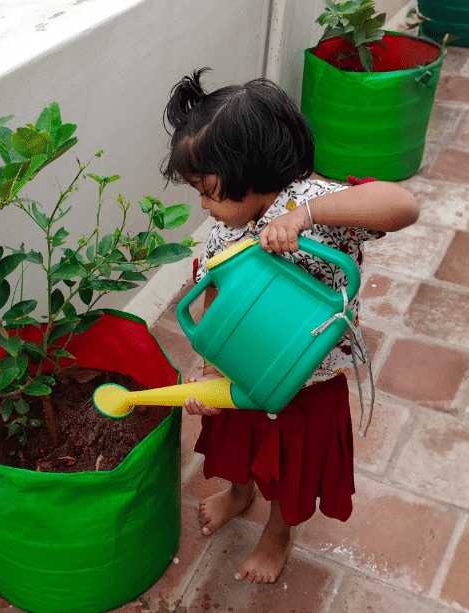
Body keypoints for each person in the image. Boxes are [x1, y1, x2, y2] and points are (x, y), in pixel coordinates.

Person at [161, 69, 418, 585]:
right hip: (246, 374)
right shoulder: (223, 235)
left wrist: (306, 215)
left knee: (290, 465)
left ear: (252, 172)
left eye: (209, 192)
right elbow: (215, 310)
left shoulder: (318, 204)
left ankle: (278, 532)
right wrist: (204, 371)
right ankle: (238, 493)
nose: (204, 208)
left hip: (309, 381)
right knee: (239, 445)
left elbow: (403, 206)